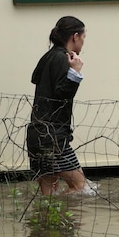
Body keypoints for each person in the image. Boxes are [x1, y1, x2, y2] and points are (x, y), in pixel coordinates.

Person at [26, 16, 88, 194]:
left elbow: (36, 80)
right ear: (75, 36)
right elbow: (61, 96)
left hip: (36, 134)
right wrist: (75, 73)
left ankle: (47, 222)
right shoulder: (62, 59)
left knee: (49, 193)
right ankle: (73, 221)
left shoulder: (48, 56)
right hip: (53, 138)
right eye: (83, 37)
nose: (83, 42)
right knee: (80, 187)